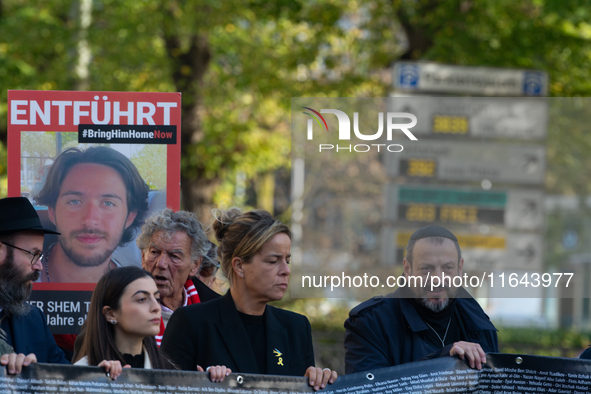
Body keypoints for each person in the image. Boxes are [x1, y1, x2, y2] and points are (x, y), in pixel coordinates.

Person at [161, 208, 338, 391]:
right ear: (239, 266)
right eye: (273, 261)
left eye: (287, 260)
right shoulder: (192, 322)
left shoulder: (296, 327)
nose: (286, 270)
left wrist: (318, 383)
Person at [344, 224, 498, 374]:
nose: (437, 279)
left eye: (447, 268)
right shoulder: (371, 323)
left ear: (459, 268)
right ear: (407, 269)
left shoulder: (480, 324)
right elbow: (369, 388)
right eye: (426, 269)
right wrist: (442, 359)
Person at [35, 146, 150, 283]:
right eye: (75, 201)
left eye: (108, 203)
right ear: (52, 211)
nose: (90, 220)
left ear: (130, 217)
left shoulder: (141, 289)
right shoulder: (12, 282)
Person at [0, 197, 69, 374]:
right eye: (33, 254)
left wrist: (100, 377)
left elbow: (65, 379)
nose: (38, 265)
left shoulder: (34, 318)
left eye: (40, 256)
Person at [136, 209, 220, 346]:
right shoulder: (122, 307)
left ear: (195, 265)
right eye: (154, 252)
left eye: (174, 256)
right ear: (143, 257)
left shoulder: (216, 314)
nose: (161, 264)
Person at [74, 266, 176, 369]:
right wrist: (99, 381)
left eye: (157, 299)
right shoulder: (83, 373)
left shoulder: (170, 373)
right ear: (110, 314)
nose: (156, 308)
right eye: (142, 299)